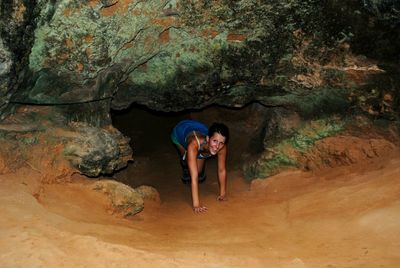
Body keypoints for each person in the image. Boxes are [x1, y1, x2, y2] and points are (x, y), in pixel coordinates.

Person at [171, 119, 229, 213]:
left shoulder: (222, 147)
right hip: (179, 132)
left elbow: (222, 170)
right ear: (208, 138)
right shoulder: (193, 145)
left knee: (199, 170)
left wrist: (222, 194)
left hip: (198, 130)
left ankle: (198, 159)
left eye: (221, 143)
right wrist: (196, 205)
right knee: (189, 163)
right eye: (215, 141)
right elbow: (194, 178)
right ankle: (185, 163)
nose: (217, 146)